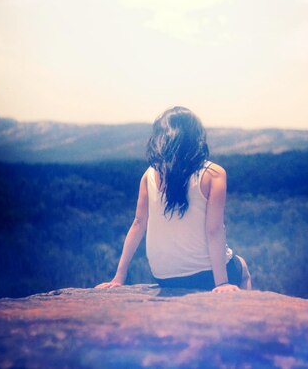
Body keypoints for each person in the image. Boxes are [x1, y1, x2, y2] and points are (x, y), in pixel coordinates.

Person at [95, 106, 251, 293]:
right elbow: (214, 230)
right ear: (196, 136)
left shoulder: (149, 174)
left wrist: (119, 277)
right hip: (207, 275)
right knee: (243, 268)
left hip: (164, 277)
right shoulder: (214, 173)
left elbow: (138, 224)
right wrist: (222, 284)